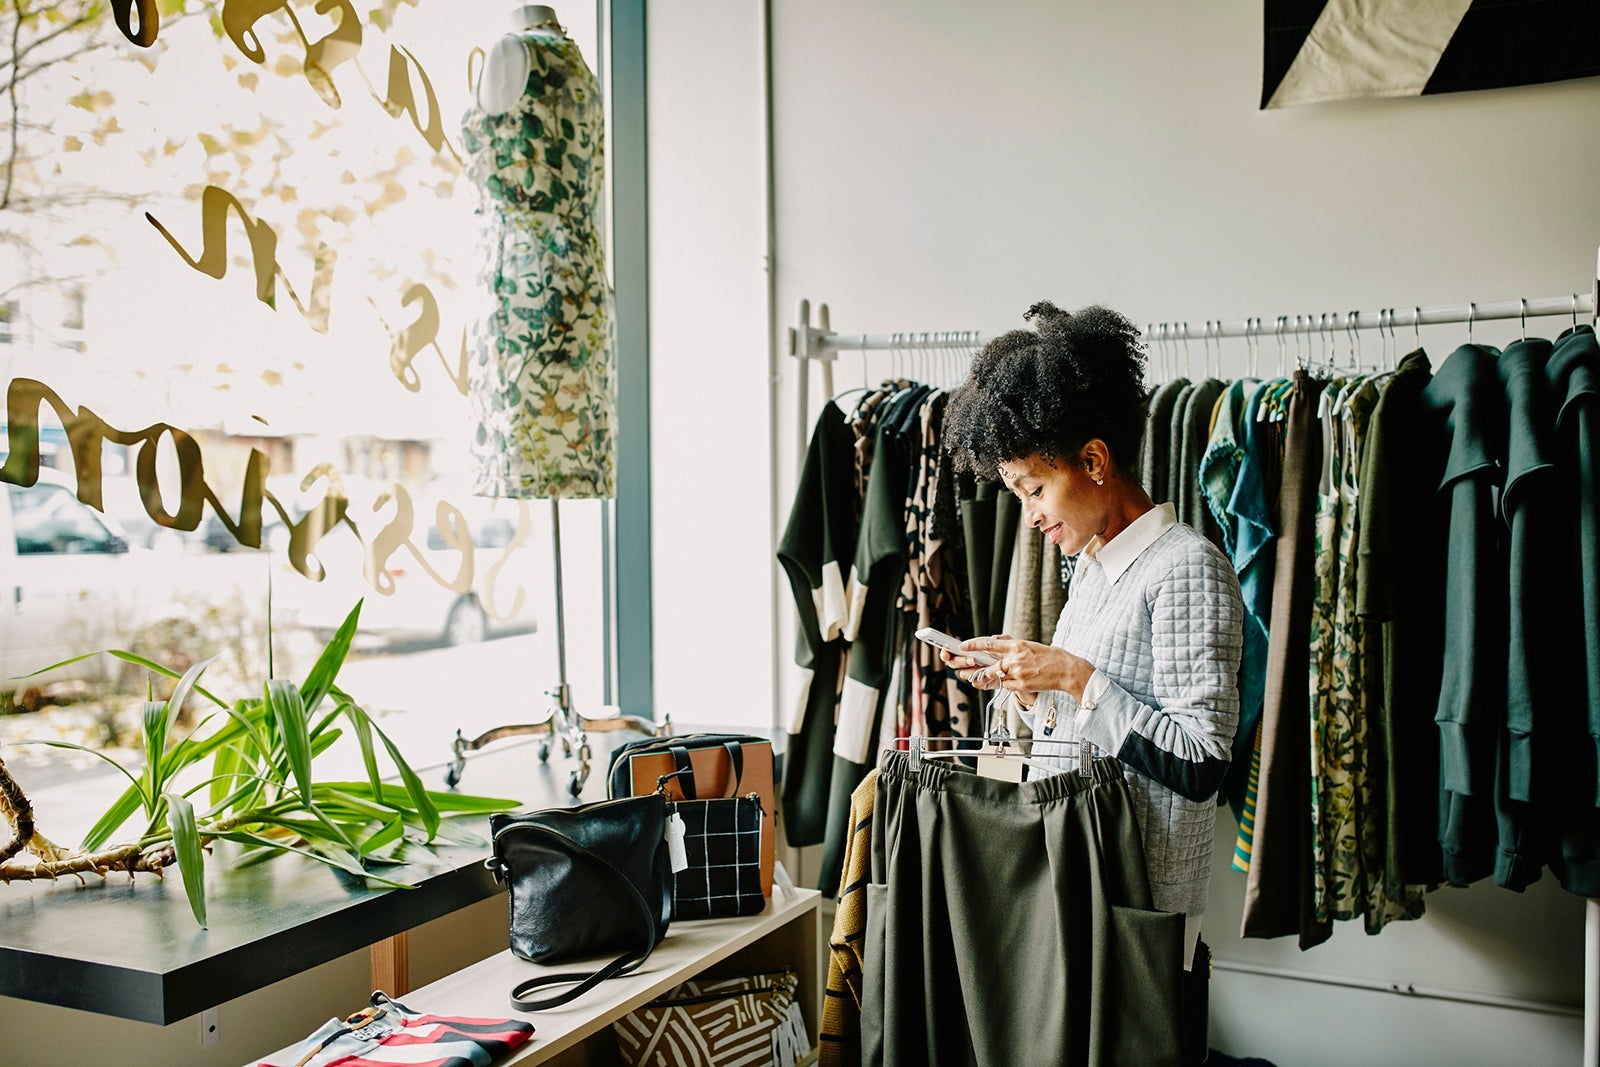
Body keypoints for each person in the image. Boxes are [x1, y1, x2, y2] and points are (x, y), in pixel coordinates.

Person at [939, 301, 1245, 972]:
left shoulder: (1187, 566)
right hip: (1077, 895)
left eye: (1036, 489)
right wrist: (1024, 687)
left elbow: (1201, 763)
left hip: (1139, 916)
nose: (1030, 517)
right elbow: (1086, 730)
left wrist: (1072, 676)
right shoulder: (1094, 570)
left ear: (1095, 459)